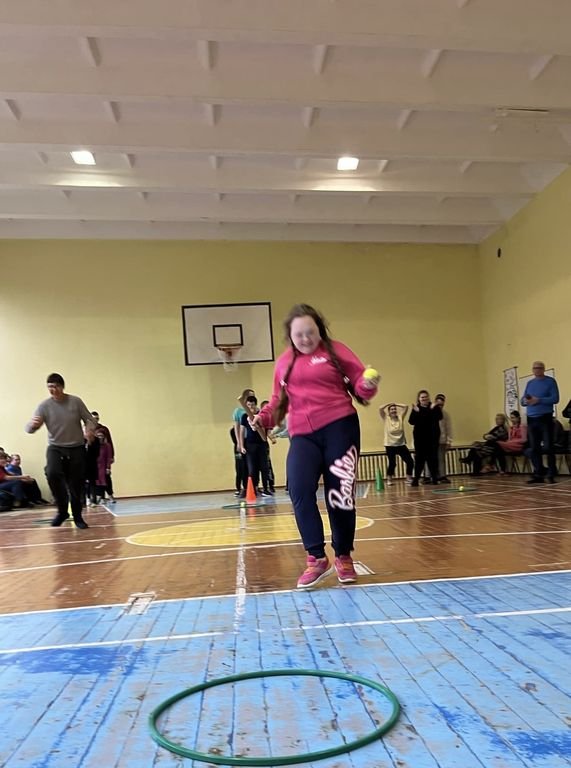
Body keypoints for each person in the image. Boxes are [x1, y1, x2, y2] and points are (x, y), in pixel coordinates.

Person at [251, 304, 379, 589]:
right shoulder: (284, 363)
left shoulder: (337, 351)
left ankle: (343, 556)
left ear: (320, 330)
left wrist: (369, 385)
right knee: (298, 489)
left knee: (340, 494)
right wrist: (263, 417)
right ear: (290, 336)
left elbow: (360, 383)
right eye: (299, 334)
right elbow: (277, 401)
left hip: (340, 428)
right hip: (303, 434)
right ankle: (316, 558)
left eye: (310, 332)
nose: (305, 338)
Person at [25, 373, 96, 528]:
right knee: (52, 472)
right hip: (56, 447)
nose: (53, 390)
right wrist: (33, 425)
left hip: (76, 447)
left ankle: (77, 516)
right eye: (50, 387)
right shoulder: (44, 406)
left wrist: (89, 430)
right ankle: (62, 511)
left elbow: (90, 419)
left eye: (56, 386)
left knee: (76, 483)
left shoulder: (75, 402)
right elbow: (29, 429)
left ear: (62, 387)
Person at [520, 361, 559, 484]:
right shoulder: (530, 383)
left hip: (545, 418)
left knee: (548, 447)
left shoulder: (550, 382)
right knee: (534, 448)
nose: (536, 370)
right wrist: (526, 401)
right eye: (534, 368)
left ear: (543, 369)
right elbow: (523, 400)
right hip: (531, 419)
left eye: (539, 368)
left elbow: (555, 398)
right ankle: (538, 474)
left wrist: (539, 400)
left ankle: (551, 473)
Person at [238, 394, 273, 497]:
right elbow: (242, 431)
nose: (250, 407)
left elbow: (265, 429)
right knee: (252, 468)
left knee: (264, 467)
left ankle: (266, 488)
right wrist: (241, 445)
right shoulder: (244, 416)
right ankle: (253, 488)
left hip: (261, 444)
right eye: (248, 405)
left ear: (255, 405)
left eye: (252, 405)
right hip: (250, 444)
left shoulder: (260, 415)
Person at [408, 391, 442, 486]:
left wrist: (432, 409)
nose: (424, 399)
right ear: (419, 399)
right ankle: (416, 479)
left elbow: (439, 417)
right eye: (422, 397)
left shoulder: (434, 407)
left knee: (433, 459)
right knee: (419, 459)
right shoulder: (416, 408)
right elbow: (411, 421)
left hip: (432, 438)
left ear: (428, 397)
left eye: (426, 397)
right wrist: (416, 412)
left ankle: (434, 479)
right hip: (420, 439)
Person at [378, 403, 414, 485]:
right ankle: (389, 479)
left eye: (395, 409)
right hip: (390, 445)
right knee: (392, 463)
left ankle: (408, 478)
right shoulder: (386, 418)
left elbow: (406, 406)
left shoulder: (400, 417)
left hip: (401, 444)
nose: (394, 410)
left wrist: (396, 404)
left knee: (410, 461)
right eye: (392, 409)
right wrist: (389, 404)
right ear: (389, 411)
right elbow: (380, 408)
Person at [230, 389, 254, 497]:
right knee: (241, 466)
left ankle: (252, 486)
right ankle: (241, 488)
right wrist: (239, 443)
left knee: (251, 465)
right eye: (249, 396)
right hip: (241, 440)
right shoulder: (239, 411)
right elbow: (237, 427)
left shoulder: (253, 410)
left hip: (250, 441)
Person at [434, 394, 452, 483]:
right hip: (431, 440)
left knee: (441, 459)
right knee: (431, 459)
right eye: (438, 404)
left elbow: (448, 428)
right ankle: (431, 476)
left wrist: (449, 440)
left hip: (442, 440)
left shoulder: (445, 414)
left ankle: (442, 476)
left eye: (442, 404)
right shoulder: (430, 412)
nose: (440, 406)